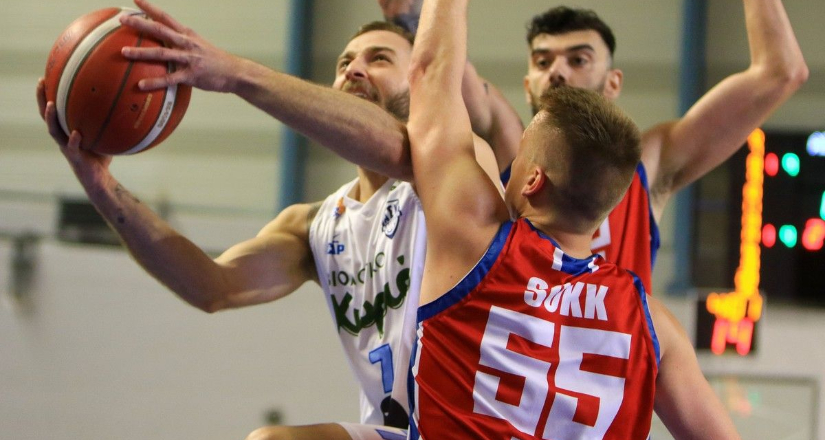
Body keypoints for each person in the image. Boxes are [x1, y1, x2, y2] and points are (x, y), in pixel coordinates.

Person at [37, 1, 504, 439]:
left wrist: (235, 73)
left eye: (379, 58)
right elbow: (211, 286)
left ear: (417, 82)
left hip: (485, 427)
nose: (355, 69)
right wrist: (101, 186)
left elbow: (396, 146)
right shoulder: (316, 224)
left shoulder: (456, 168)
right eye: (344, 63)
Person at [405, 0, 742, 438]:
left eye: (521, 151)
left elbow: (430, 75)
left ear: (532, 180)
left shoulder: (474, 244)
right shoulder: (655, 326)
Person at [382, 0, 808, 295]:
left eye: (579, 60)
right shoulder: (511, 144)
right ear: (528, 84)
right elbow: (447, 75)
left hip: (605, 389)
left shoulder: (649, 162)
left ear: (613, 82)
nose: (557, 72)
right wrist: (409, 19)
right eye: (543, 61)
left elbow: (781, 71)